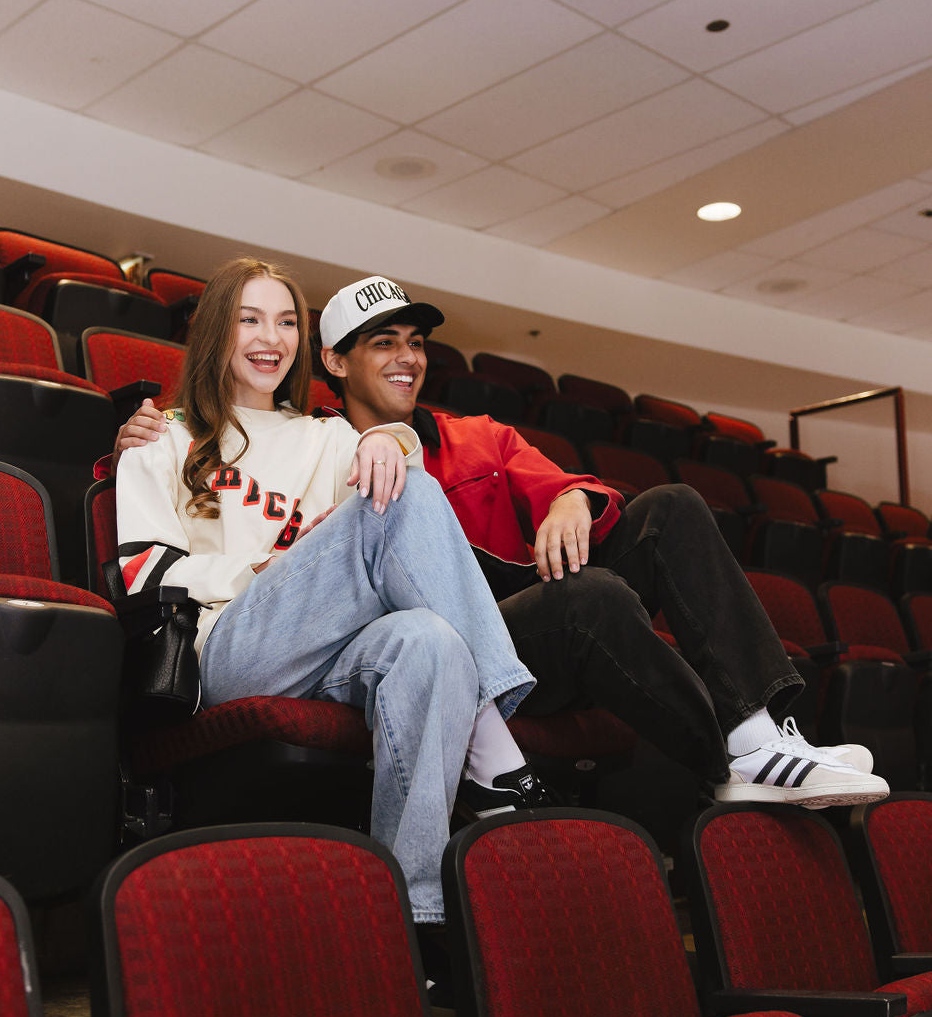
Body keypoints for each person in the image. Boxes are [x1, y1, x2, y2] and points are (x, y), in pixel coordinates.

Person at [115, 274, 890, 811]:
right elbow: (215, 469)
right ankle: (727, 758)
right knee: (595, 597)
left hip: (533, 616)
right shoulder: (319, 443)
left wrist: (570, 500)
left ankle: (754, 732)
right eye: (382, 343)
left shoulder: (479, 435)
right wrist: (132, 440)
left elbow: (575, 492)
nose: (407, 357)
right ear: (334, 362)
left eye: (415, 342)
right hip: (495, 631)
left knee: (675, 506)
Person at [114, 257, 555, 929]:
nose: (272, 337)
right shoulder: (163, 434)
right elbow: (142, 569)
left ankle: (414, 915)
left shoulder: (325, 436)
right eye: (251, 319)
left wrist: (385, 437)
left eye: (288, 321)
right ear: (216, 333)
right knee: (402, 503)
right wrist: (256, 571)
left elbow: (407, 507)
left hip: (330, 655)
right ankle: (493, 741)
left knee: (428, 641)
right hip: (229, 647)